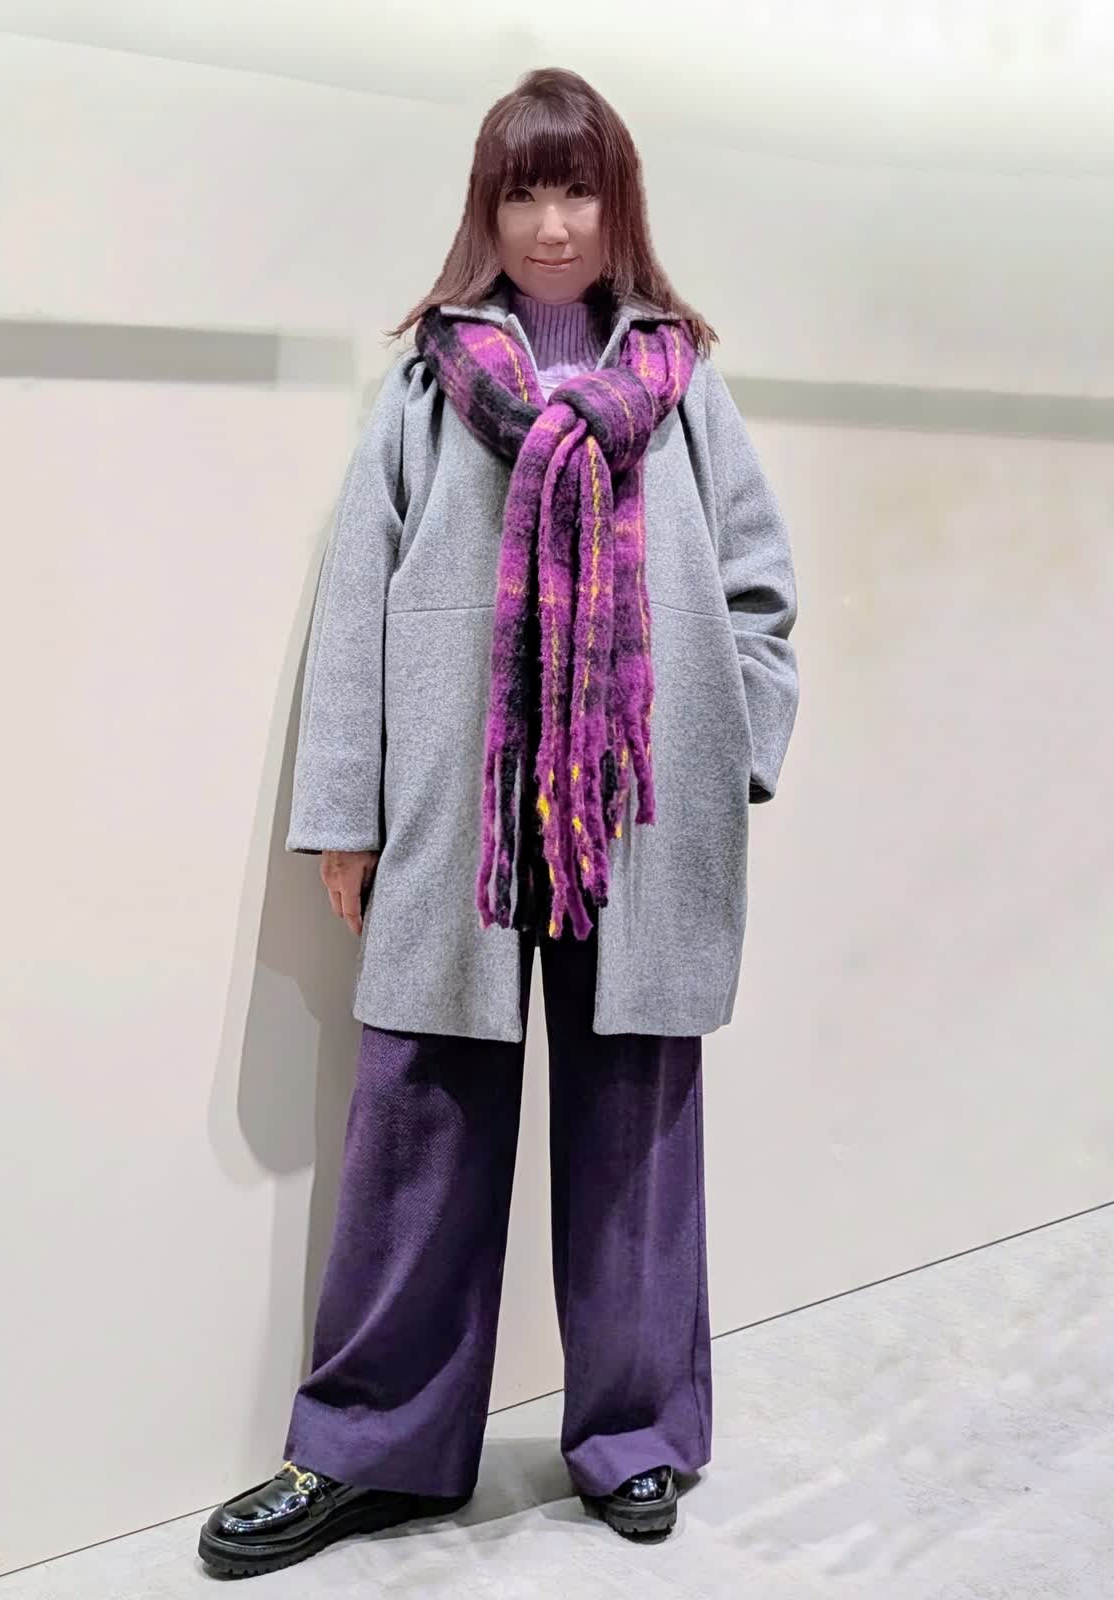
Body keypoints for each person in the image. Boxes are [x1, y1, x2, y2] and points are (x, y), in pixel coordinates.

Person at [198, 65, 799, 1580]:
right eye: (523, 192)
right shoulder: (427, 388)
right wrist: (347, 814)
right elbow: (358, 607)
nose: (551, 225)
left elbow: (759, 592)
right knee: (418, 1122)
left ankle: (636, 1433)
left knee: (636, 1126)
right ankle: (371, 1449)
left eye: (577, 189)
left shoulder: (683, 387)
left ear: (618, 203)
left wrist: (732, 753)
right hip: (461, 814)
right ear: (487, 206)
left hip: (638, 813)